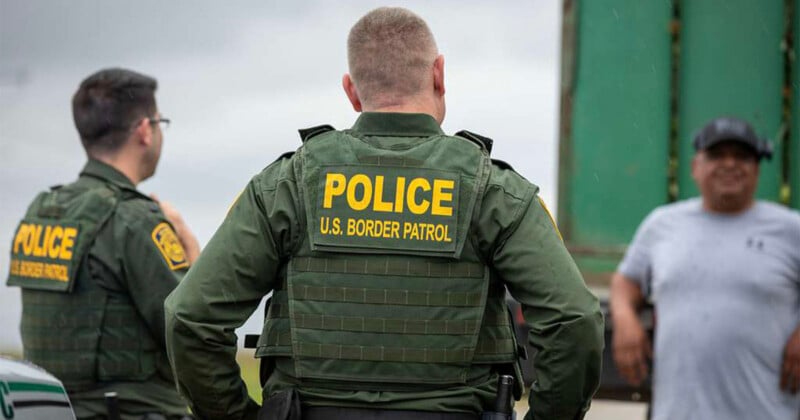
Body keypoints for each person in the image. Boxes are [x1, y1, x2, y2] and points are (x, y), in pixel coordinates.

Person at [165, 7, 603, 420]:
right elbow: (575, 321)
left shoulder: (287, 185)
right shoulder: (493, 190)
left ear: (352, 91)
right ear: (439, 74)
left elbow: (190, 318)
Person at [6, 68, 200, 419]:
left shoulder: (41, 211)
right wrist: (193, 253)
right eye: (160, 123)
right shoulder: (134, 220)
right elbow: (192, 333)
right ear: (144, 130)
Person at [610, 116, 800, 419]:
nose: (729, 164)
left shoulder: (790, 229)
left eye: (741, 156)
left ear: (757, 168)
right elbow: (625, 282)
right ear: (695, 167)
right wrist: (624, 320)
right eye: (716, 155)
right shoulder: (662, 225)